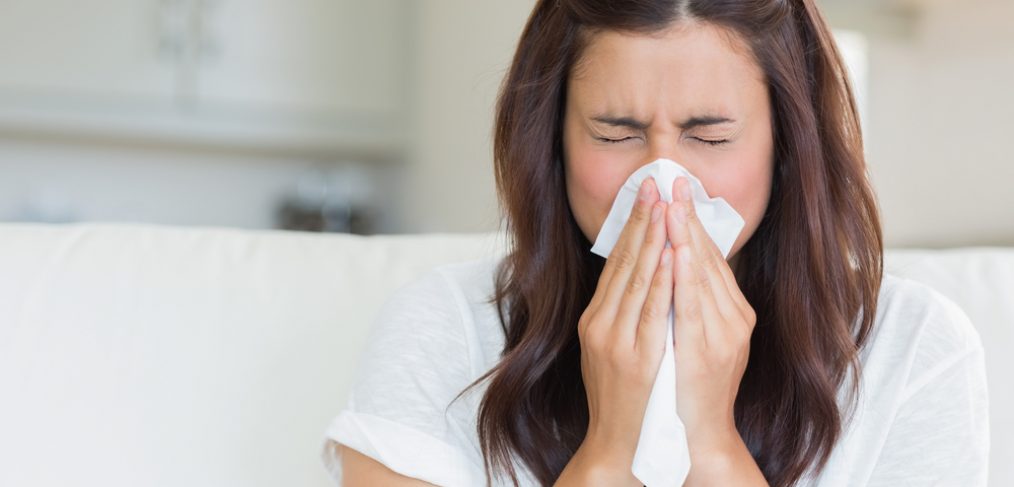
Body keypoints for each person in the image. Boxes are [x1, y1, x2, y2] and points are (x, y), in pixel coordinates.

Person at [321, 0, 990, 485]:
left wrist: (713, 443)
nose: (662, 183)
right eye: (615, 134)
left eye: (711, 136)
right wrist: (610, 450)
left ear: (787, 144)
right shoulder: (439, 329)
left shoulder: (913, 346)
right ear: (551, 143)